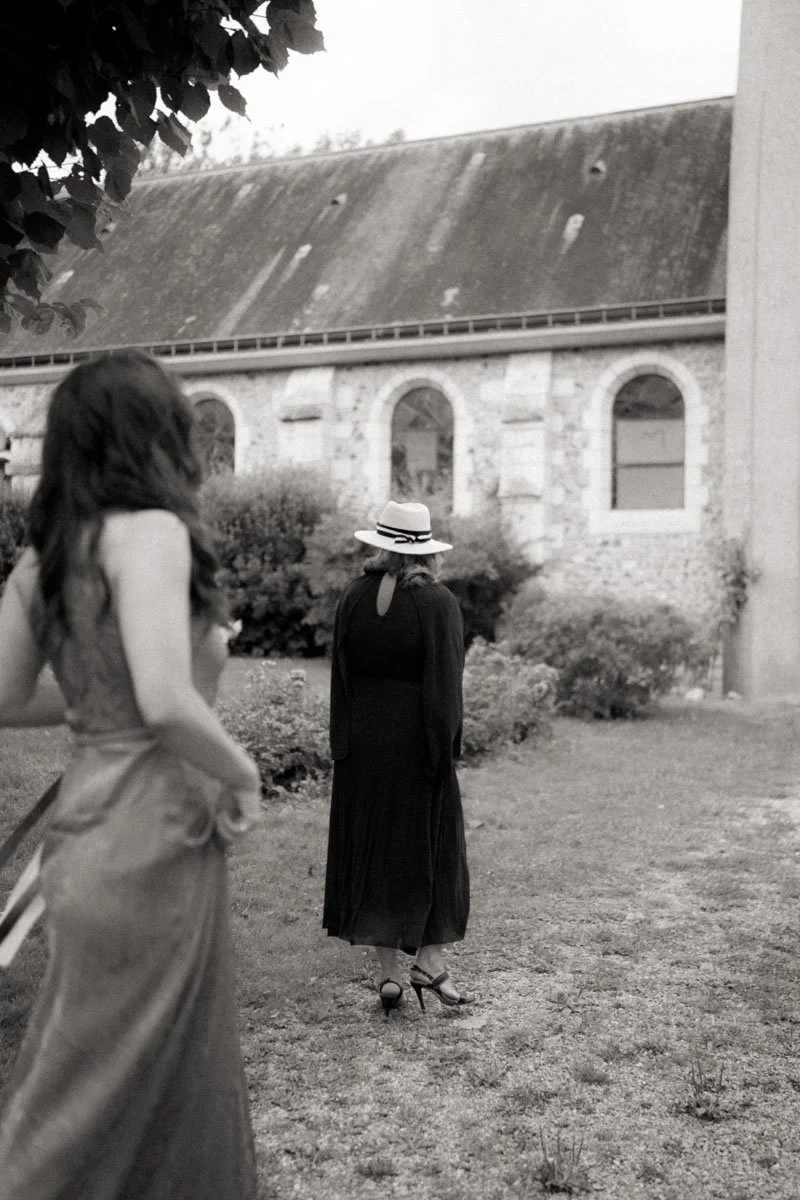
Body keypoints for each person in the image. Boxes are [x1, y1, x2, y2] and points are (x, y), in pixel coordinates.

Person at [0, 350, 262, 1200]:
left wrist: (95, 705)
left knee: (105, 1072)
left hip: (84, 835)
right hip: (153, 833)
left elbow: (6, 697)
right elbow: (166, 702)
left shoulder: (42, 561)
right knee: (102, 1091)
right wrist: (243, 772)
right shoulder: (151, 532)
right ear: (154, 435)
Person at [323, 500, 472, 1015]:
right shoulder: (437, 602)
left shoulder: (353, 596)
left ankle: (388, 976)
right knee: (432, 848)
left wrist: (343, 741)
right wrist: (445, 748)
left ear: (380, 546)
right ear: (426, 552)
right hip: (417, 745)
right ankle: (429, 962)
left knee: (376, 850)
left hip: (363, 746)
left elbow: (340, 674)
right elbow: (445, 686)